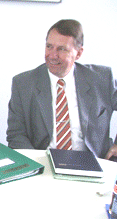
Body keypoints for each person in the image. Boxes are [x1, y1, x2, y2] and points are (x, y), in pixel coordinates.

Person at [7, 19, 117, 160]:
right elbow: (16, 134)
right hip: (43, 161)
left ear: (78, 53)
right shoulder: (23, 83)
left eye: (62, 49)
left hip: (93, 161)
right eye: (49, 47)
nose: (52, 55)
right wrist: (35, 164)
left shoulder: (101, 79)